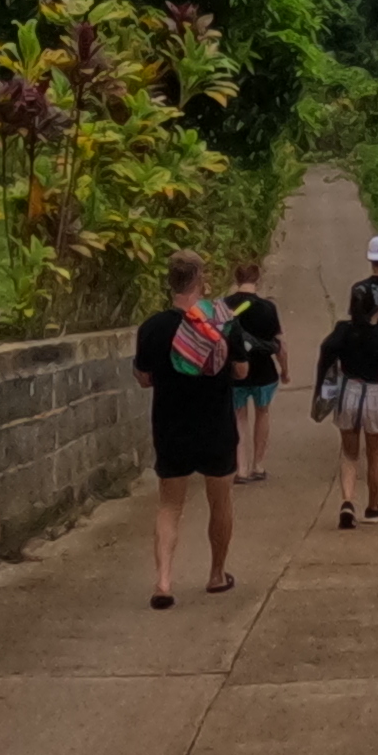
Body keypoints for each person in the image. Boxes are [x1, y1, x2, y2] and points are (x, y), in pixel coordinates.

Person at [135, 246, 244, 605]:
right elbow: (242, 370)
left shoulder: (153, 327)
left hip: (171, 426)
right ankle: (216, 574)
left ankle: (164, 582)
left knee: (169, 505)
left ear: (170, 282)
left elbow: (144, 378)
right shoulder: (224, 321)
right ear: (200, 279)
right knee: (221, 500)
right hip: (216, 424)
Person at [313, 274, 378, 524]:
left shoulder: (343, 330)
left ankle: (347, 501)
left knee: (349, 453)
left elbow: (326, 353)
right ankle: (373, 506)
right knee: (376, 455)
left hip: (348, 391)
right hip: (374, 395)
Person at [228, 258, 286, 481]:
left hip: (234, 371)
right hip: (264, 371)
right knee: (262, 413)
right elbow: (280, 345)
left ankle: (240, 468)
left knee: (239, 417)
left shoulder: (224, 305)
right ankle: (258, 465)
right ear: (257, 279)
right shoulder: (268, 308)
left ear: (236, 279)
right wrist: (285, 370)